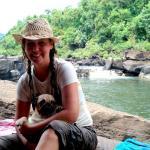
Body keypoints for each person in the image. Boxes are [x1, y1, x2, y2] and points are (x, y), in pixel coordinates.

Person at [0, 18, 97, 150]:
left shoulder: (64, 69)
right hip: (41, 133)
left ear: (51, 44)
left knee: (54, 127)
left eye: (41, 43)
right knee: (3, 142)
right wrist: (28, 144)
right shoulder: (24, 81)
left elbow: (70, 115)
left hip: (80, 132)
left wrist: (32, 128)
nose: (35, 49)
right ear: (24, 46)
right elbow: (19, 123)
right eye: (30, 44)